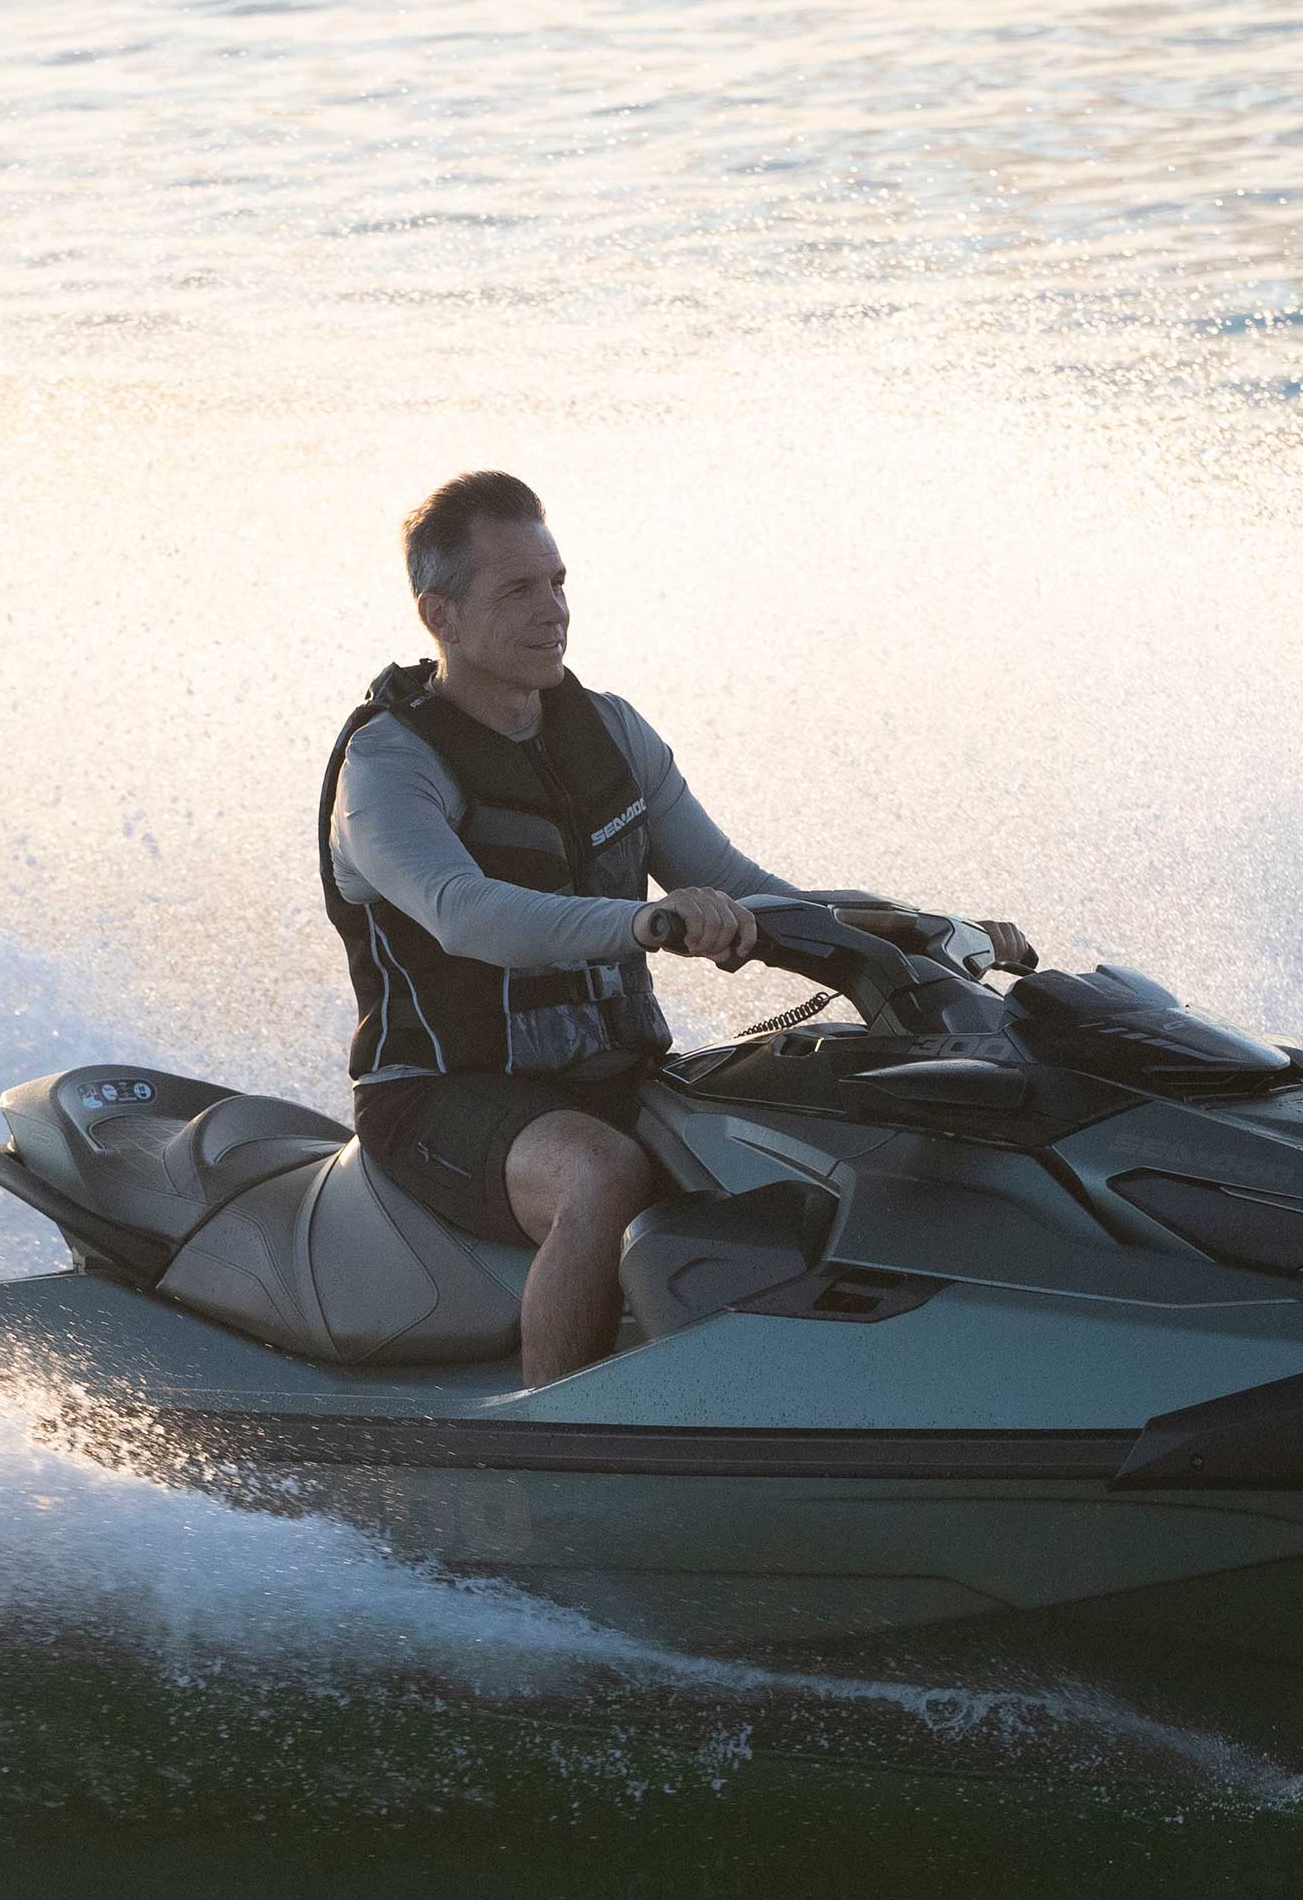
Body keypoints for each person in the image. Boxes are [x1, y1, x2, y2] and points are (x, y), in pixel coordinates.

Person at [320, 471, 1029, 1385]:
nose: (555, 610)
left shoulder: (609, 732)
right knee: (602, 1176)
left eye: (559, 581)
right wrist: (646, 920)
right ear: (441, 616)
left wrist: (922, 929)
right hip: (441, 1095)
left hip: (613, 1075)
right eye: (519, 590)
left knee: (815, 1132)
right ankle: (555, 1447)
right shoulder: (387, 763)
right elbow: (469, 917)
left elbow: (743, 888)